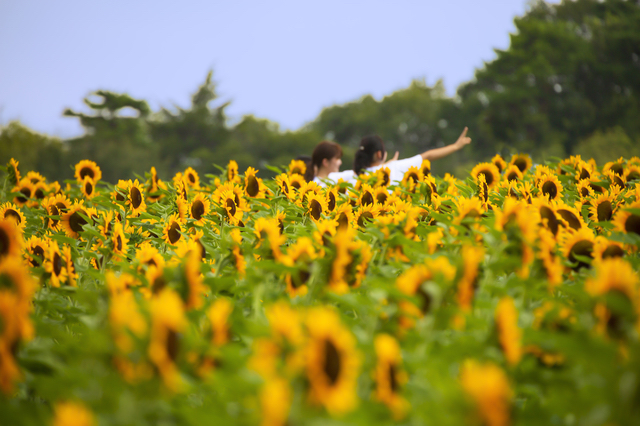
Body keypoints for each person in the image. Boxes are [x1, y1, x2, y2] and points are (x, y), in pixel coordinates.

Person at [353, 127, 472, 184]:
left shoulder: (355, 177)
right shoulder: (393, 167)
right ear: (379, 154)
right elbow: (428, 156)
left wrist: (387, 163)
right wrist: (455, 146)